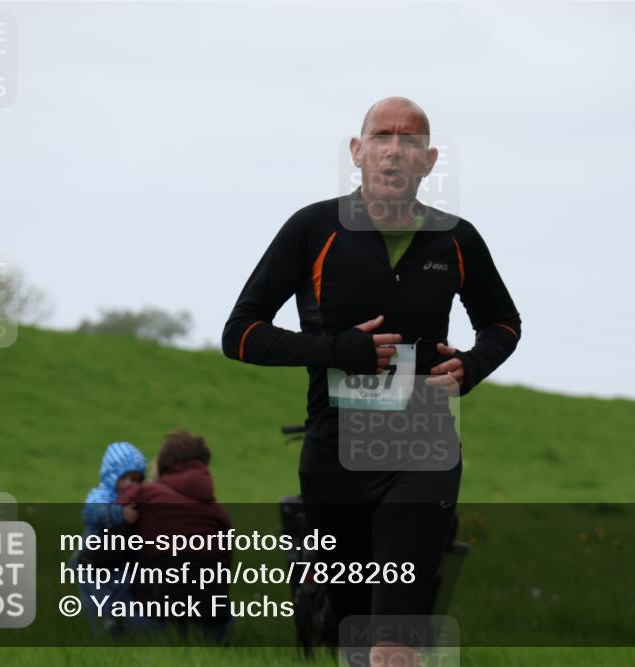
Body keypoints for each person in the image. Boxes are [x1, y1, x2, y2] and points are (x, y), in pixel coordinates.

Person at [222, 97, 521, 666]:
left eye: (410, 141)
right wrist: (336, 350)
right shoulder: (313, 229)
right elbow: (240, 334)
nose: (394, 151)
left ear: (429, 161)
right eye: (382, 137)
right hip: (333, 457)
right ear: (357, 152)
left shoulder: (457, 239)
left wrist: (473, 366)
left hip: (422, 450)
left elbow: (503, 324)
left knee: (393, 640)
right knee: (356, 636)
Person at [118, 429, 234, 641]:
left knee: (92, 555)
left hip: (159, 611)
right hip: (212, 616)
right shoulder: (219, 514)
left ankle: (112, 631)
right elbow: (225, 571)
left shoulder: (147, 494)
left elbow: (116, 512)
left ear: (163, 464)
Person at [76, 441, 147, 634]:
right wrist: (119, 513)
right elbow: (91, 513)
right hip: (95, 554)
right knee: (95, 591)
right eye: (126, 478)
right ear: (111, 475)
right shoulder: (101, 496)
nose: (132, 484)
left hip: (118, 554)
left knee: (123, 585)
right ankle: (100, 627)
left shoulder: (134, 501)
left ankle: (119, 623)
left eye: (137, 479)